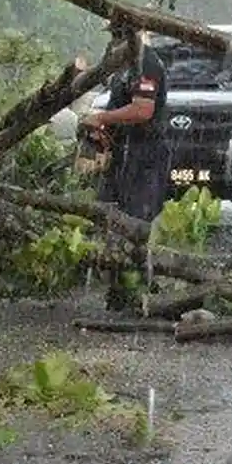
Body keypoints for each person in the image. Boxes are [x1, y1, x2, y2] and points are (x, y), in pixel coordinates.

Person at [81, 21, 170, 309]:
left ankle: (142, 290)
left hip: (145, 154)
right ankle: (118, 289)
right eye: (113, 36)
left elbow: (143, 110)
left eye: (120, 36)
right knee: (109, 214)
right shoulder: (121, 68)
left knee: (136, 221)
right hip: (123, 153)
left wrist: (103, 119)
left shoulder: (147, 65)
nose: (115, 42)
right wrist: (102, 131)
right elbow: (118, 106)